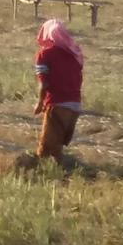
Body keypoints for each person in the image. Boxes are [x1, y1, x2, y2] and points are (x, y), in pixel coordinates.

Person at [32, 18, 84, 166]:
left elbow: (44, 83)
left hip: (58, 104)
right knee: (57, 145)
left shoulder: (45, 55)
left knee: (46, 148)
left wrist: (40, 103)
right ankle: (59, 173)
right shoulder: (74, 55)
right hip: (75, 106)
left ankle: (48, 177)